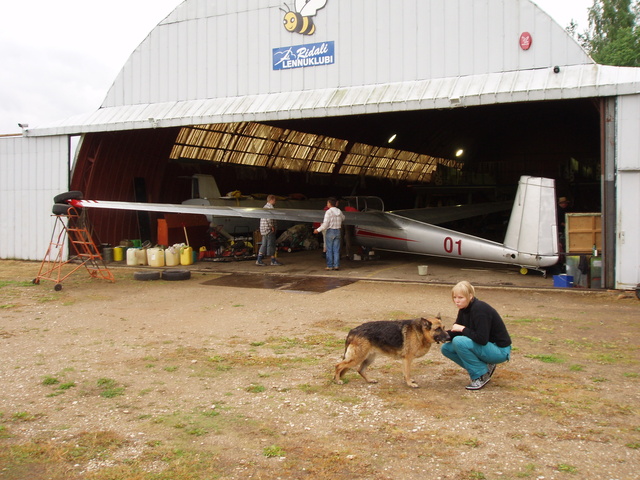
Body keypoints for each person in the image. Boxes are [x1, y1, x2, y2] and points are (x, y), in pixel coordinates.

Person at [441, 281, 512, 390]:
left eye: (461, 297)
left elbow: (481, 339)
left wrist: (463, 329)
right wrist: (441, 336)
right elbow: (457, 331)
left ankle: (481, 375)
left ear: (470, 296)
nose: (457, 301)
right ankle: (483, 367)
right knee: (446, 348)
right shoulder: (464, 309)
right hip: (487, 347)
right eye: (454, 297)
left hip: (500, 350)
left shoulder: (480, 309)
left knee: (459, 342)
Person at [313, 197, 344, 270]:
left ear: (329, 204)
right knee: (336, 250)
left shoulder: (328, 212)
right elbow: (343, 218)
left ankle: (330, 266)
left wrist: (318, 230)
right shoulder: (339, 211)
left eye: (327, 203)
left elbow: (325, 224)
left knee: (329, 249)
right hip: (338, 231)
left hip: (330, 231)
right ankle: (336, 265)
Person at [256, 194, 283, 266]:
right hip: (269, 229)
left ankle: (259, 260)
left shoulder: (264, 207)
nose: (275, 201)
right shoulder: (270, 208)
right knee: (272, 245)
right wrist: (272, 226)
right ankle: (273, 260)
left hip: (264, 229)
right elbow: (269, 218)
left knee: (264, 245)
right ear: (271, 200)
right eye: (274, 200)